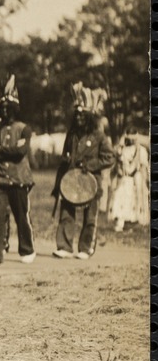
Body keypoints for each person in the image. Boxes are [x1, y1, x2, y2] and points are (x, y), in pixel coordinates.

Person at [51, 84, 114, 259]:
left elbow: (110, 157)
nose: (79, 117)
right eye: (76, 114)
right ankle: (64, 246)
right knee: (66, 213)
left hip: (90, 182)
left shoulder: (99, 136)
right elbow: (64, 157)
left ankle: (86, 248)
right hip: (70, 181)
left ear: (89, 116)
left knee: (90, 217)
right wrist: (60, 180)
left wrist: (91, 165)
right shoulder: (71, 134)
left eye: (82, 114)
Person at [0, 75, 36, 265]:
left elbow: (20, 152)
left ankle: (27, 249)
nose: (5, 111)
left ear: (15, 108)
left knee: (21, 215)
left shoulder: (24, 129)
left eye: (8, 107)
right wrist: (2, 152)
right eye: (2, 107)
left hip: (19, 179)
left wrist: (0, 150)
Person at [109, 132, 148, 232]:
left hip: (134, 179)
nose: (131, 140)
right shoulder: (122, 150)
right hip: (124, 179)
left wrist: (144, 180)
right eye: (129, 137)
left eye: (133, 138)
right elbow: (117, 159)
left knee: (132, 200)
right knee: (120, 198)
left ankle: (130, 223)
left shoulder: (141, 150)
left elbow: (143, 167)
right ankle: (120, 222)